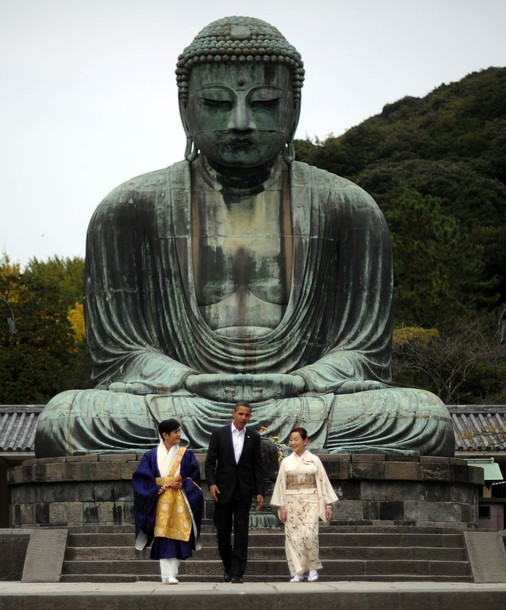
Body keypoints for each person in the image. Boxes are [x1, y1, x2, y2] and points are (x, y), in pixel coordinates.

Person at [35, 15, 455, 459]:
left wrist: (304, 380)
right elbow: (121, 356)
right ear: (185, 108)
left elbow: (362, 353)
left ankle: (250, 443)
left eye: (264, 103)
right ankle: (262, 446)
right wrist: (184, 379)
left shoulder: (348, 208)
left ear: (293, 107)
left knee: (423, 417)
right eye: (216, 103)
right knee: (67, 419)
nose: (240, 122)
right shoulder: (128, 209)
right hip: (184, 401)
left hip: (302, 402)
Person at [132, 418, 203, 584]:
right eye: (176, 432)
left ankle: (171, 573)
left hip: (181, 499)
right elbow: (140, 479)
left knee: (181, 536)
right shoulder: (150, 456)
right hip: (161, 499)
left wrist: (183, 483)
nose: (179, 435)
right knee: (162, 535)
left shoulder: (186, 454)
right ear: (165, 435)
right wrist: (154, 489)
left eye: (179, 431)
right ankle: (167, 575)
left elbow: (195, 479)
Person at [204, 401, 265, 583]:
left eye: (247, 415)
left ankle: (238, 572)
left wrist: (259, 491)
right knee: (222, 531)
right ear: (233, 414)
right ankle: (228, 565)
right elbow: (209, 463)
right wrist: (212, 484)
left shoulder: (253, 437)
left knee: (241, 532)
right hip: (222, 490)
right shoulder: (219, 434)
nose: (243, 418)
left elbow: (257, 466)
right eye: (241, 414)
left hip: (244, 491)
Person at [271, 427, 338, 582]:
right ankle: (297, 572)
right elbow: (281, 485)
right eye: (291, 440)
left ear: (305, 441)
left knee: (309, 534)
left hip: (311, 500)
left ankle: (313, 568)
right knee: (293, 537)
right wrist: (282, 507)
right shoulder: (286, 462)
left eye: (297, 439)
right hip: (291, 502)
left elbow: (323, 482)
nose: (293, 442)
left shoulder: (314, 460)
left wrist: (328, 505)